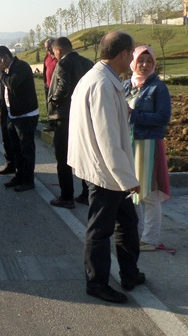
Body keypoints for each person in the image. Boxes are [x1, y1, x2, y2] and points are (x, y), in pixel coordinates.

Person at [68, 32, 144, 304]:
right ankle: (97, 283)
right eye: (132, 54)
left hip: (105, 167)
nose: (133, 59)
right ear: (123, 54)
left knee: (128, 222)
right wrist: (127, 179)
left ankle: (130, 273)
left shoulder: (99, 79)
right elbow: (108, 139)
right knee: (100, 230)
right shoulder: (100, 84)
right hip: (106, 172)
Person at [124, 45, 172, 251]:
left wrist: (134, 115)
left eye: (149, 61)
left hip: (148, 145)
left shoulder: (158, 88)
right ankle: (136, 234)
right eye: (140, 61)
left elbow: (163, 117)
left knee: (149, 194)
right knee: (133, 192)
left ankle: (150, 239)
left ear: (154, 64)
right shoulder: (125, 85)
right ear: (133, 62)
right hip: (129, 144)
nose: (144, 65)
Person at [46, 37, 94, 209]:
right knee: (82, 155)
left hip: (64, 116)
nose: (53, 55)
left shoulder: (63, 64)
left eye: (53, 51)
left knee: (63, 158)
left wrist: (53, 99)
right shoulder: (88, 62)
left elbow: (63, 88)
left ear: (58, 50)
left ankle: (66, 196)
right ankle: (86, 193)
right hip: (83, 115)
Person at [0, 46, 39, 192]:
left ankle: (28, 180)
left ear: (6, 57)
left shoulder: (21, 67)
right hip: (12, 114)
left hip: (25, 115)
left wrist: (1, 74)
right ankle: (19, 175)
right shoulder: (5, 69)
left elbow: (12, 84)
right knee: (15, 148)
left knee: (26, 149)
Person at [0, 65, 16, 175]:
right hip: (1, 108)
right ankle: (9, 164)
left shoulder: (10, 69)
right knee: (5, 137)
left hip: (13, 107)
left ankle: (20, 166)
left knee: (15, 138)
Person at [42, 38, 58, 133]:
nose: (47, 49)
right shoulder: (47, 57)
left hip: (56, 87)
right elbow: (45, 70)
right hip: (48, 86)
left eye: (48, 47)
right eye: (46, 47)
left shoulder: (58, 57)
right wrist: (45, 82)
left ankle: (57, 125)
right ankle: (51, 124)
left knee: (56, 106)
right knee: (49, 106)